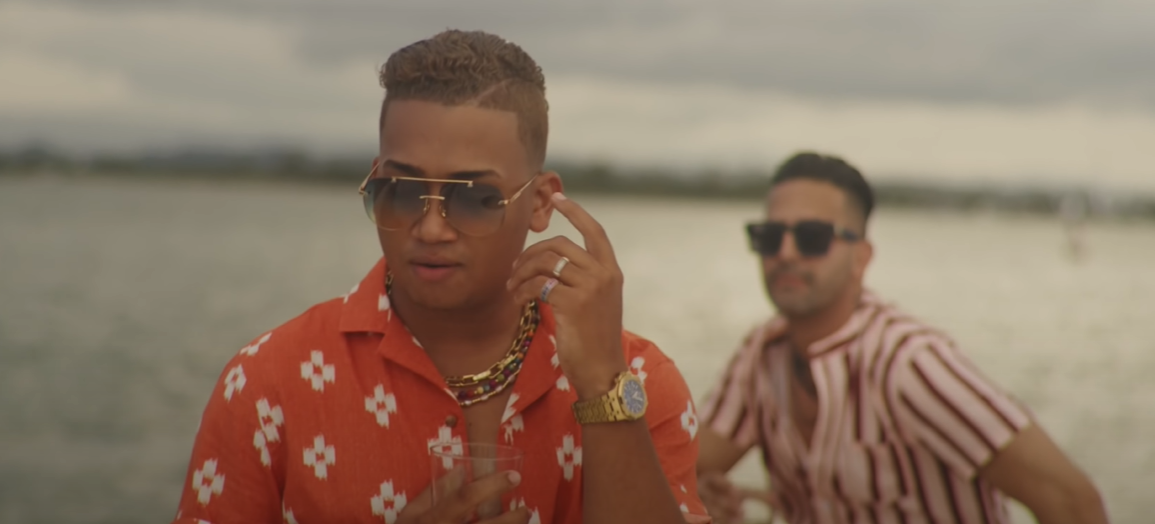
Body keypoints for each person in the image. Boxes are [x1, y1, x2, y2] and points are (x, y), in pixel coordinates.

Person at [172, 29, 710, 524]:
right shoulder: (271, 382)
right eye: (402, 192)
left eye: (474, 198)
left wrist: (602, 392)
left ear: (541, 202)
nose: (430, 228)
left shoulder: (637, 382)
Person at [696, 152, 1109, 524]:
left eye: (812, 237)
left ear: (861, 258)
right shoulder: (762, 354)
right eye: (769, 237)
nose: (785, 253)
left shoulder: (909, 363)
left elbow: (1072, 501)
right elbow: (683, 467)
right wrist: (699, 500)